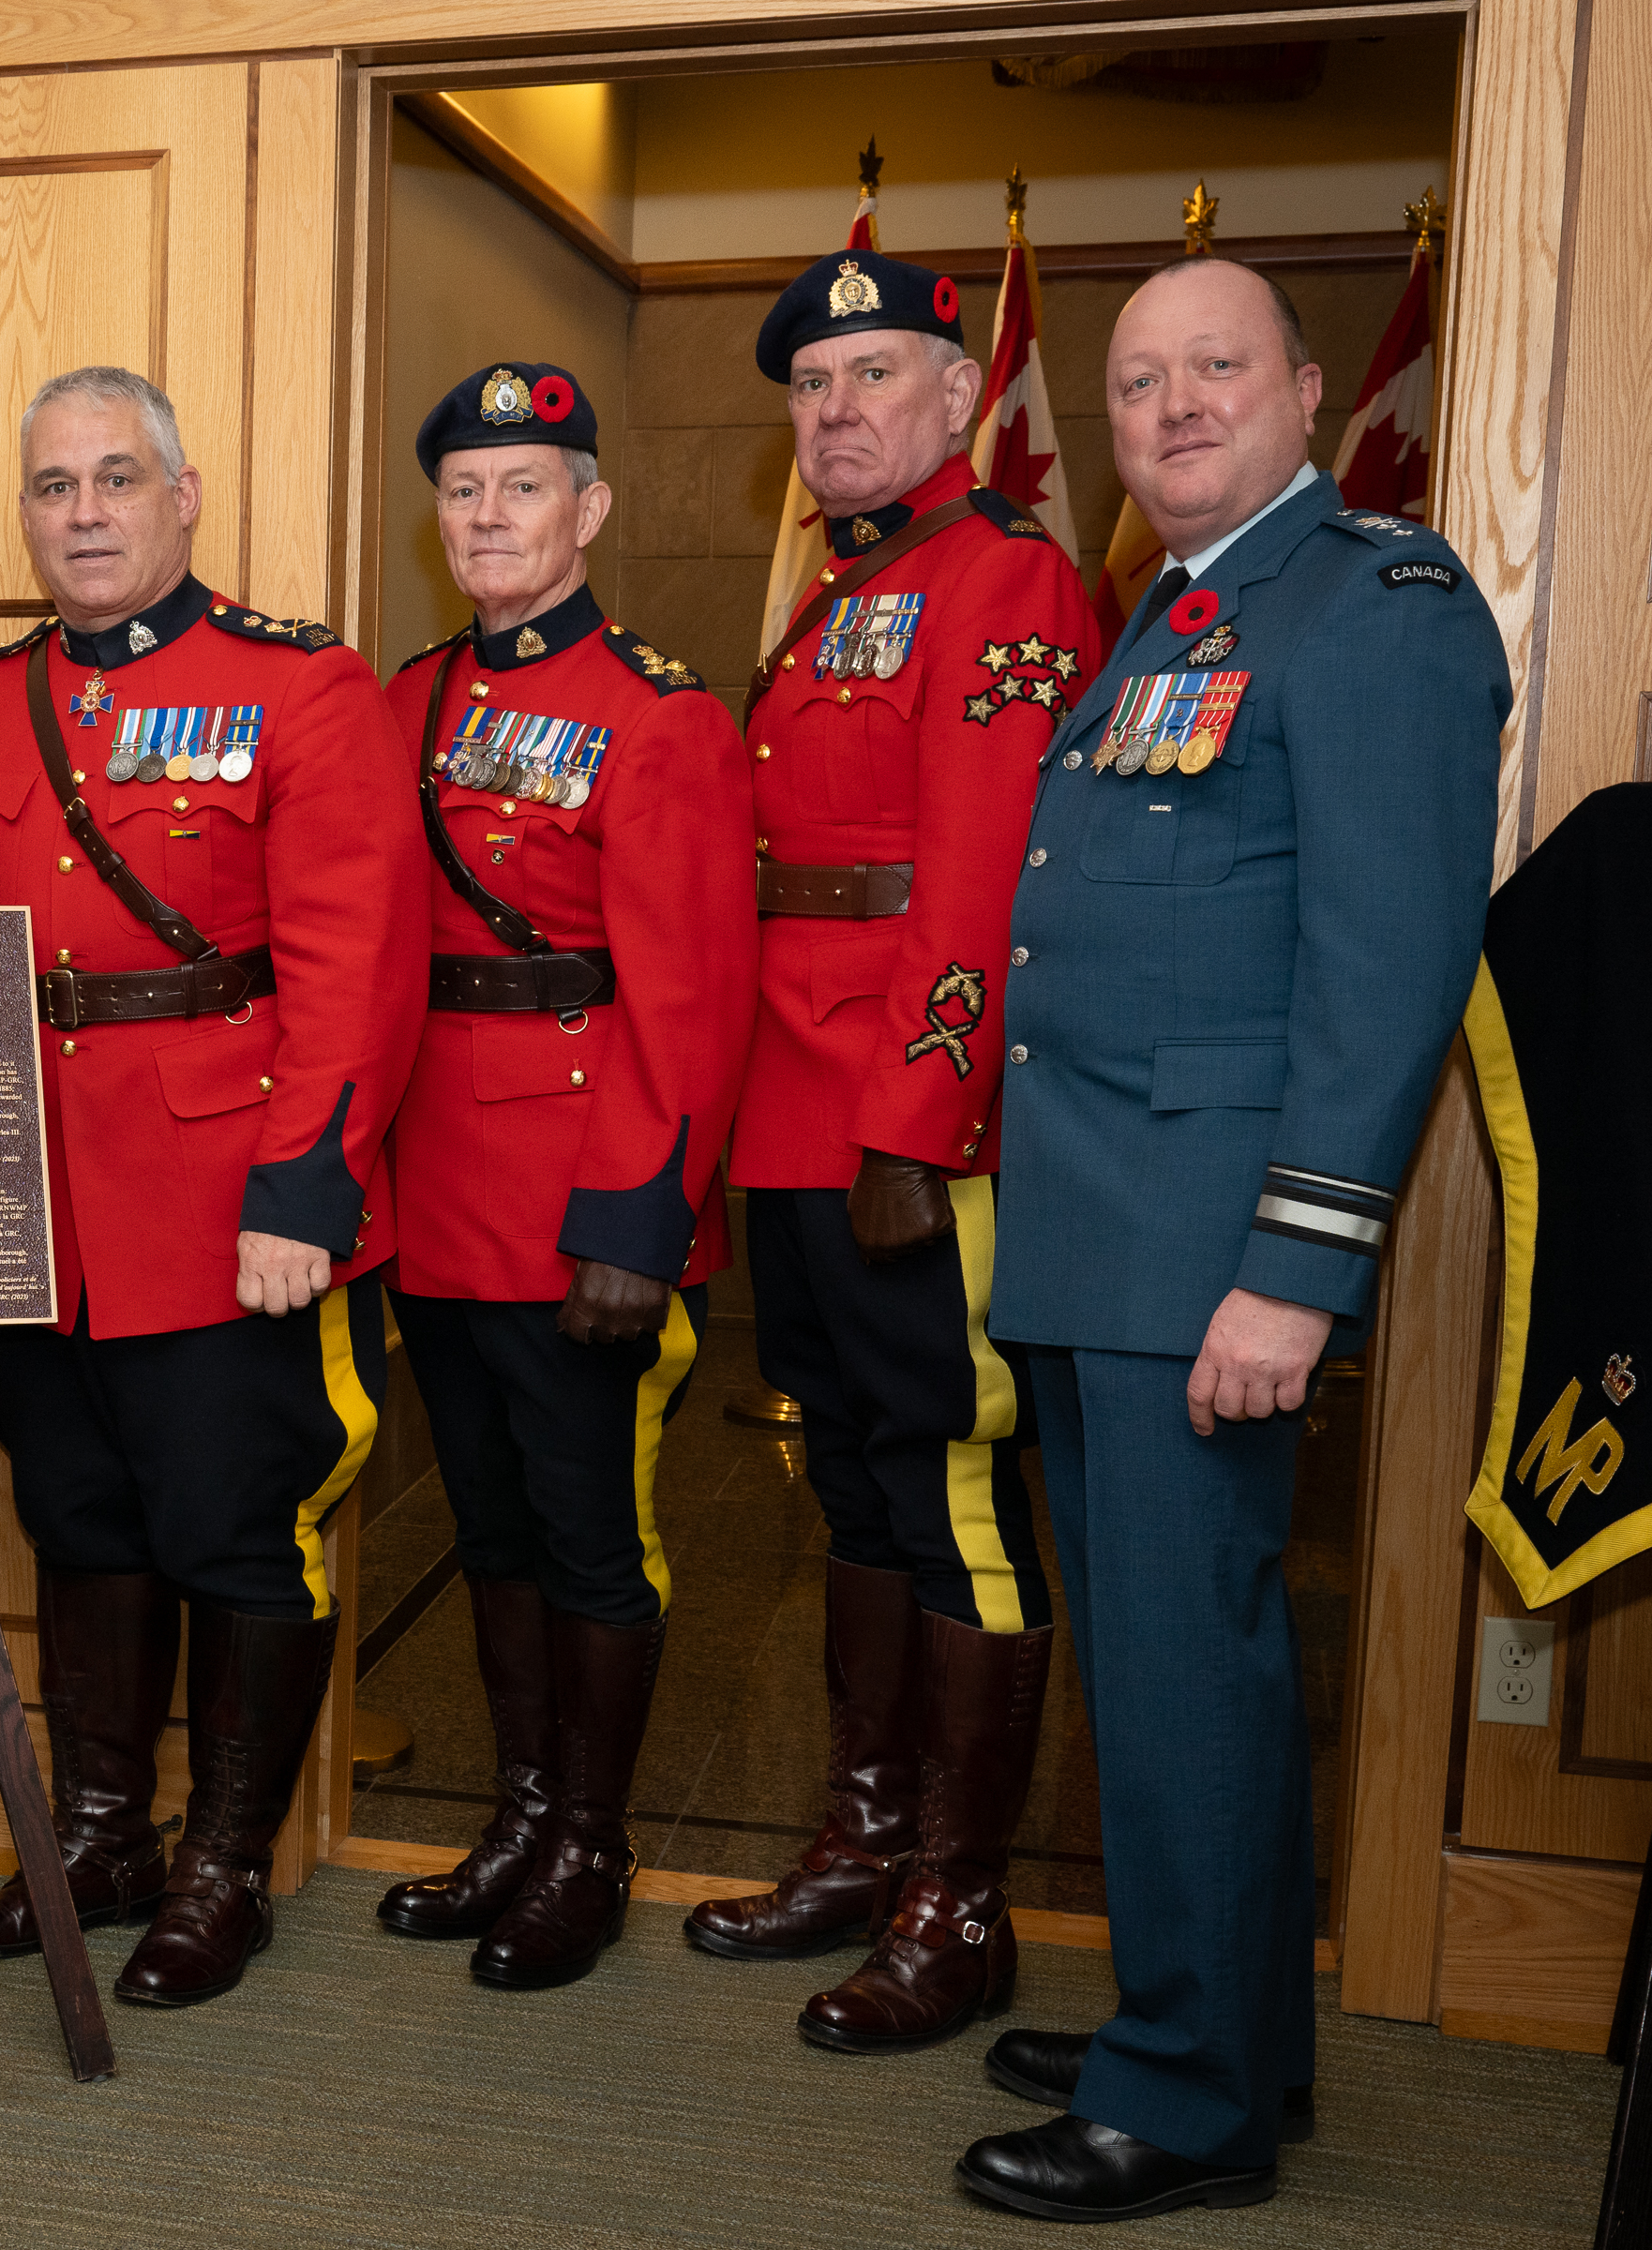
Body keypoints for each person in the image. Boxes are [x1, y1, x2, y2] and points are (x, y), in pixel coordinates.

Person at [956, 258, 1505, 2223]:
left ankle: (1179, 2101)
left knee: (1188, 1673)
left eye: (1216, 368)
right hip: (1108, 1233)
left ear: (1298, 391)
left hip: (1207, 1252)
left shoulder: (1371, 610)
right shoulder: (1178, 620)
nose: (1174, 405)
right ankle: (1225, 2028)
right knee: (1181, 1669)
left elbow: (1386, 971)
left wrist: (1296, 1267)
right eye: (1134, 383)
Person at [0, 365, 427, 2006]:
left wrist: (309, 1184)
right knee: (80, 1519)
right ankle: (101, 1835)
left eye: (117, 480)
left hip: (228, 1188)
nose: (85, 516)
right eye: (54, 487)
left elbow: (356, 958)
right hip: (36, 1200)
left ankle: (223, 1867)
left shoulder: (303, 682)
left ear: (183, 497)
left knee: (236, 1529)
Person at [683, 250, 1096, 2059]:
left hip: (909, 1118)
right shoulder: (840, 595)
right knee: (847, 1482)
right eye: (812, 384)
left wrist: (920, 1125)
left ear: (957, 396)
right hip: (793, 1095)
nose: (837, 411)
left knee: (953, 1491)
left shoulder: (1002, 579)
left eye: (874, 374)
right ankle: (862, 1838)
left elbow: (985, 878)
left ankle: (961, 1896)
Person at [366, 365, 756, 1988]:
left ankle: (591, 1848)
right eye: (464, 490)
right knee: (490, 1528)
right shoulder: (401, 701)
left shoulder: (658, 712)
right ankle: (519, 1819)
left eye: (524, 487)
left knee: (593, 1539)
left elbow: (691, 989)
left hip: (580, 1189)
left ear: (590, 510)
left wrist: (637, 1222)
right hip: (436, 1181)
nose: (489, 517)